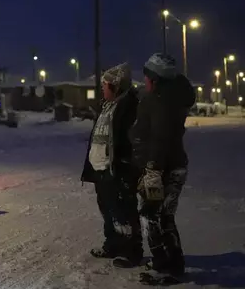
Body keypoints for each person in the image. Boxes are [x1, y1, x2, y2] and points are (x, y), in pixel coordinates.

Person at [130, 53, 195, 285]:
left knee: (151, 215)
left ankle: (165, 265)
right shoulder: (171, 96)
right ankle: (173, 263)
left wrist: (152, 169)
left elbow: (160, 137)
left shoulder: (159, 100)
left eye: (147, 75)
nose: (144, 79)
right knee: (165, 216)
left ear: (155, 78)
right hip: (174, 165)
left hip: (161, 168)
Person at [81, 62, 143, 268]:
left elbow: (132, 138)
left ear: (116, 86)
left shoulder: (128, 106)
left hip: (118, 168)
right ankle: (113, 244)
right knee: (108, 209)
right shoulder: (107, 106)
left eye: (105, 85)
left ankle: (132, 251)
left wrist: (127, 163)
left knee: (124, 211)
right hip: (101, 169)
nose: (102, 88)